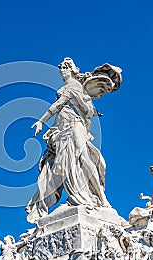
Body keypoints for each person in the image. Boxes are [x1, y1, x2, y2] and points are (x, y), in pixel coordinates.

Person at [26, 58, 115, 223]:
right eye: (61, 68)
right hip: (62, 128)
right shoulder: (75, 87)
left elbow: (58, 105)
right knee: (68, 164)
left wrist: (41, 121)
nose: (61, 70)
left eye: (64, 68)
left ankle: (101, 197)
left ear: (71, 70)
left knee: (83, 158)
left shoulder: (73, 86)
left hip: (73, 126)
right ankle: (82, 196)